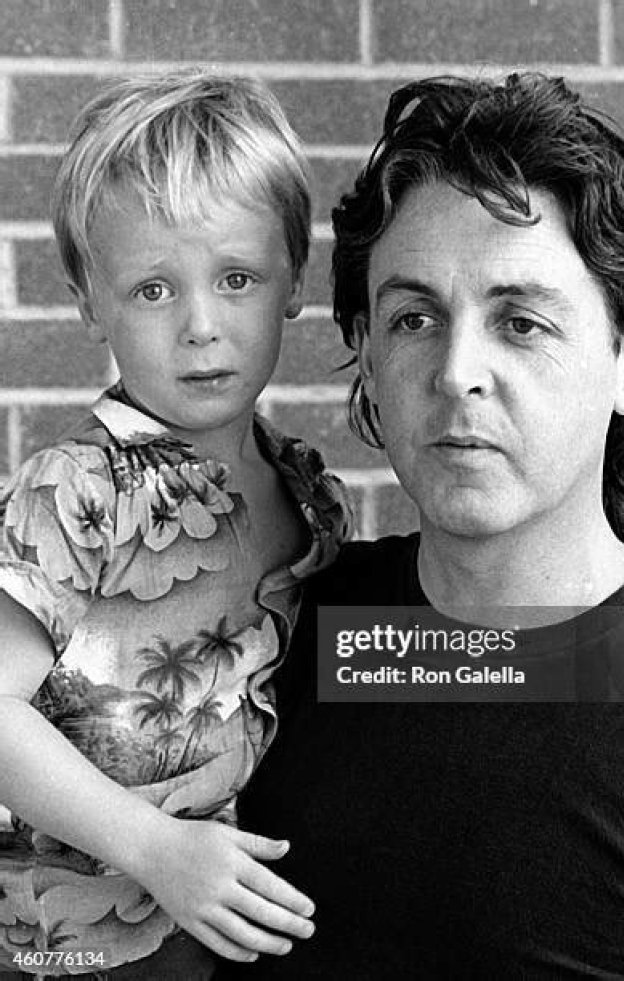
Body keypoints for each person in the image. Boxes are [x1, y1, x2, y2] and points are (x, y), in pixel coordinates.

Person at [229, 72, 624, 977]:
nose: (457, 370)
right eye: (414, 317)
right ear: (367, 359)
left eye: (521, 322)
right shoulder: (289, 626)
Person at [0, 70, 351, 978]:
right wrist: (155, 847)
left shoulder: (308, 493)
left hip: (230, 941)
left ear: (294, 279)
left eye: (236, 278)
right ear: (90, 299)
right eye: (153, 289)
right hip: (67, 951)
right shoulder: (77, 490)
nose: (201, 325)